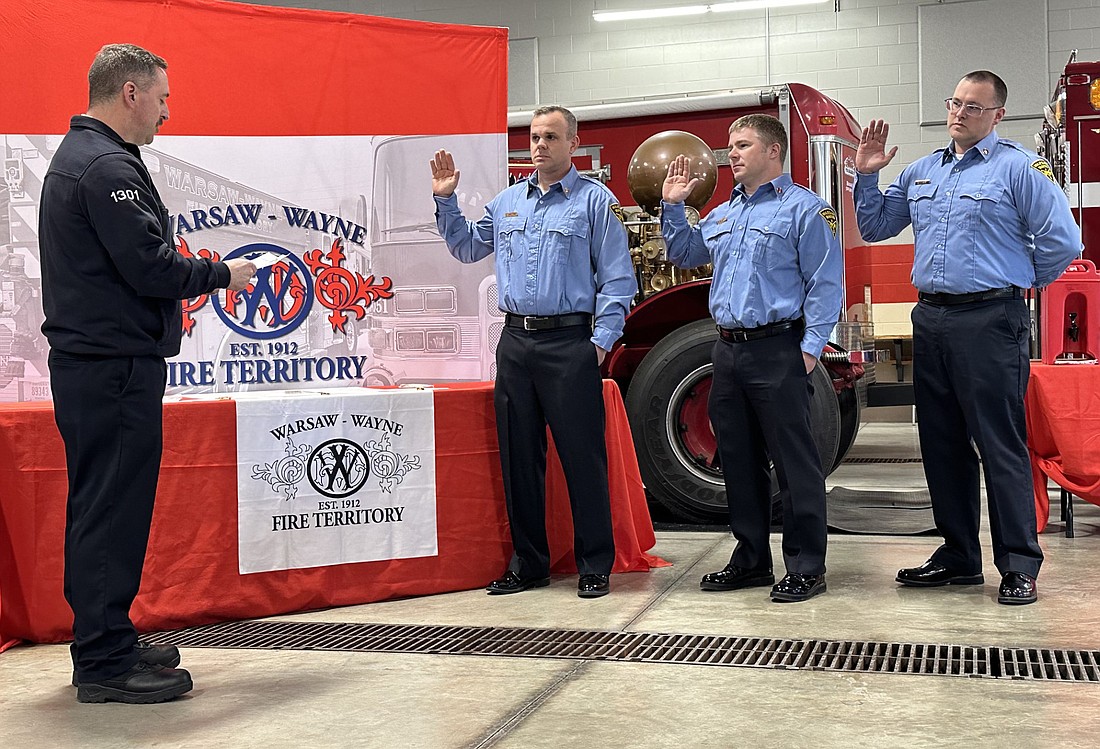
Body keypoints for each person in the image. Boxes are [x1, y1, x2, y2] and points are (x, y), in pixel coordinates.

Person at [39, 43, 255, 703]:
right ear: (129, 92)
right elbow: (151, 266)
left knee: (106, 507)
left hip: (98, 365)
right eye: (162, 96)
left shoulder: (90, 158)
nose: (168, 109)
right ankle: (103, 662)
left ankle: (107, 634)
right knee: (110, 511)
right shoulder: (105, 166)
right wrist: (222, 274)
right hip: (111, 368)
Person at [854, 70, 1081, 605]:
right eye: (954, 102)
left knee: (999, 443)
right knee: (941, 443)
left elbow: (1062, 241)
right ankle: (958, 556)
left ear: (997, 115)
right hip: (930, 318)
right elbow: (878, 226)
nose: (959, 113)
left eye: (973, 107)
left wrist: (1018, 282)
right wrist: (866, 177)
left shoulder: (1019, 168)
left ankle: (1019, 563)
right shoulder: (921, 171)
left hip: (989, 320)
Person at [431, 106, 636, 598]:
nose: (539, 145)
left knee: (582, 459)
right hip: (516, 343)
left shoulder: (594, 203)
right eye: (534, 137)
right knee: (519, 459)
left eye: (550, 137)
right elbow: (465, 248)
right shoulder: (506, 203)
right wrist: (446, 201)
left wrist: (599, 344)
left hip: (570, 344)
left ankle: (594, 564)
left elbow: (617, 279)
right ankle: (529, 563)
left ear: (573, 143)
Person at [662, 114, 843, 603]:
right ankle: (750, 560)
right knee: (738, 461)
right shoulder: (724, 213)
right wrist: (674, 206)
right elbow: (682, 253)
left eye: (742, 145)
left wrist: (808, 352)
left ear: (773, 152)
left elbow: (826, 286)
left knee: (794, 463)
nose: (732, 154)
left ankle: (807, 566)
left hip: (779, 349)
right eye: (730, 146)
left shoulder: (806, 211)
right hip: (728, 350)